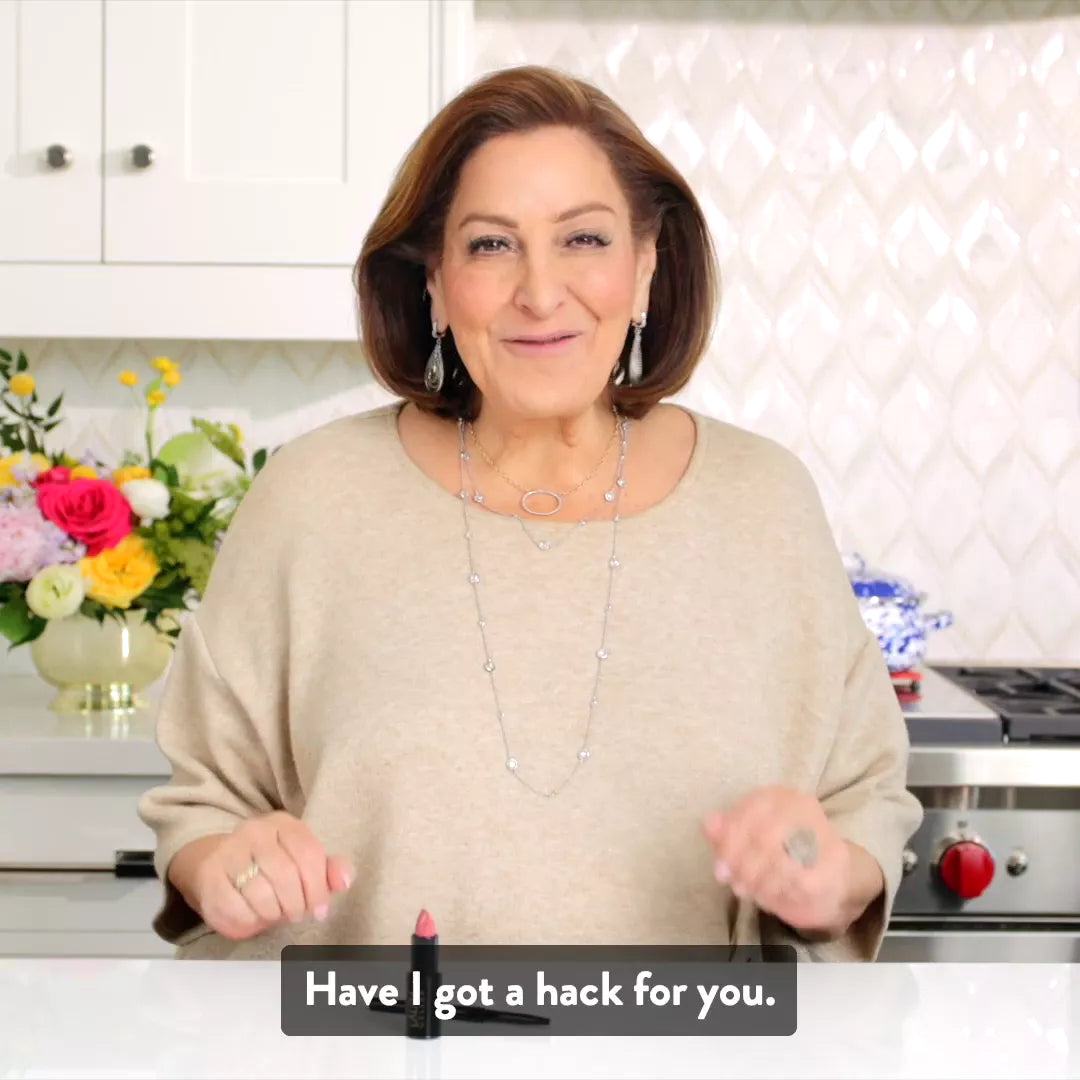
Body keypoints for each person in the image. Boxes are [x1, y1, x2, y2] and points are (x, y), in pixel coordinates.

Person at [137, 65, 922, 961]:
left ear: (646, 264)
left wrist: (823, 873)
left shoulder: (763, 501)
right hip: (371, 1036)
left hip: (683, 1037)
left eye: (584, 238)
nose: (541, 293)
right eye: (490, 245)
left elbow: (862, 804)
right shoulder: (311, 497)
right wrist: (228, 865)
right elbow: (204, 810)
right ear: (435, 282)